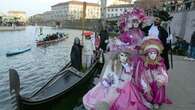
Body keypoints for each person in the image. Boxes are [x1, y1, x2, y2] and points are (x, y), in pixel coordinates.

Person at [134, 37, 172, 109]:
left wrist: (160, 80)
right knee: (147, 95)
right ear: (147, 54)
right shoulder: (142, 62)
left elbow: (164, 74)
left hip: (156, 81)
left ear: (157, 54)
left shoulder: (160, 62)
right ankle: (148, 100)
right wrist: (146, 87)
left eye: (155, 53)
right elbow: (140, 76)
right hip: (146, 82)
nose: (153, 55)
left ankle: (156, 102)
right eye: (151, 53)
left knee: (160, 86)